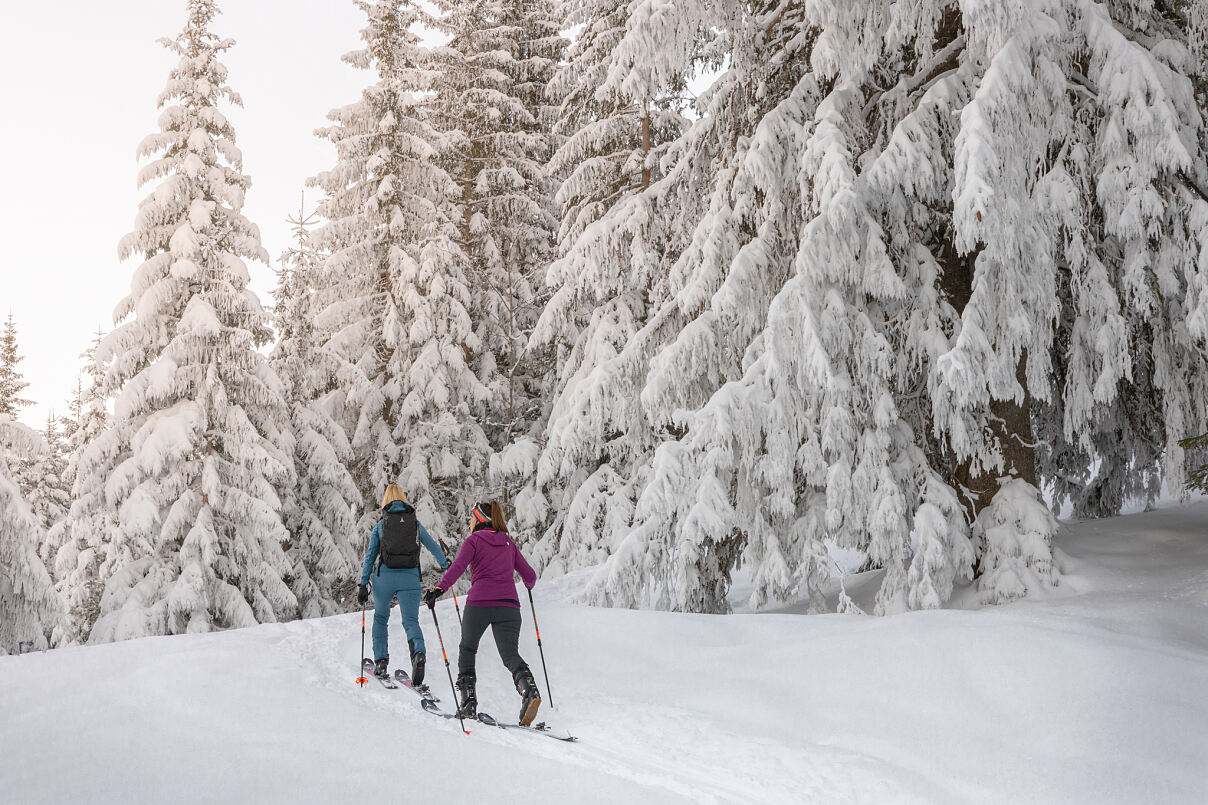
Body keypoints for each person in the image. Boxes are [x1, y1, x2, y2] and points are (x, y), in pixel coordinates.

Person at [423, 500, 541, 725]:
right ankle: (529, 691)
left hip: (480, 603)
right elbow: (531, 577)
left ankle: (468, 704)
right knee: (510, 654)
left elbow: (457, 567)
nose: (469, 520)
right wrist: (528, 584)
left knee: (467, 649)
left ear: (478, 519)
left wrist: (438, 590)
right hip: (509, 605)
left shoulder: (473, 541)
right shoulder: (508, 542)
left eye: (471, 517)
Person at [358, 485, 449, 686]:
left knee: (381, 618)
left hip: (385, 579)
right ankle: (418, 654)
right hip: (410, 579)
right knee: (411, 621)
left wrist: (364, 584)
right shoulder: (414, 523)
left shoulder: (381, 525)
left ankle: (381, 662)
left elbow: (370, 556)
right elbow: (432, 545)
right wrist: (445, 564)